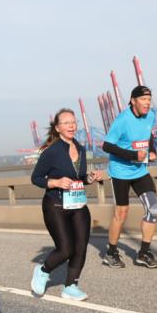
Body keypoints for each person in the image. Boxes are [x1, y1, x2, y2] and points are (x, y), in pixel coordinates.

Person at [31, 109, 104, 301]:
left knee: (80, 247)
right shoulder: (51, 152)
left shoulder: (80, 148)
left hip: (78, 203)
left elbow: (78, 177)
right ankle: (43, 270)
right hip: (56, 204)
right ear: (57, 128)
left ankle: (71, 286)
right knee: (66, 249)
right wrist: (55, 182)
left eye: (73, 122)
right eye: (66, 123)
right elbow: (36, 178)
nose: (71, 126)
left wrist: (90, 177)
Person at [101, 85, 157, 268]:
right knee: (122, 213)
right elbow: (107, 146)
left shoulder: (150, 116)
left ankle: (143, 253)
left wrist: (152, 150)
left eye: (149, 99)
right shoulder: (122, 120)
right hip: (121, 172)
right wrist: (133, 155)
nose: (147, 103)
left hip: (140, 171)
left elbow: (148, 134)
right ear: (133, 100)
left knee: (153, 208)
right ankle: (111, 253)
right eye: (143, 99)